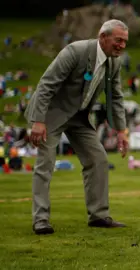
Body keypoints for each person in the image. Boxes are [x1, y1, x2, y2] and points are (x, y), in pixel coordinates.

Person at [24, 19, 130, 235]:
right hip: (50, 114)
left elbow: (116, 97)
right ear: (103, 37)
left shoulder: (114, 62)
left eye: (125, 42)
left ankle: (99, 216)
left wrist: (121, 131)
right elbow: (46, 84)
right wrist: (38, 121)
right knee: (46, 164)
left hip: (79, 116)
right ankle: (41, 220)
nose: (122, 46)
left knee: (98, 159)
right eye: (118, 40)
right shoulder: (75, 51)